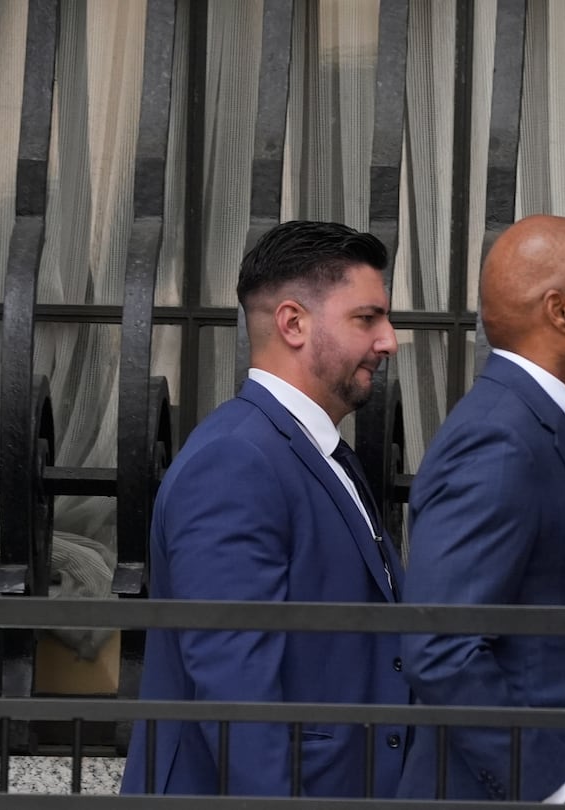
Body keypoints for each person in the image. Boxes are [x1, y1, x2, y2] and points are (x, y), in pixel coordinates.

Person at [121, 220, 409, 797]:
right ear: (293, 323)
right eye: (367, 318)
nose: (389, 340)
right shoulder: (235, 461)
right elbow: (235, 687)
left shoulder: (317, 452)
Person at [396, 214, 565, 803]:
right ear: (559, 312)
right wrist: (559, 787)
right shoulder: (499, 441)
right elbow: (441, 648)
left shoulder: (563, 428)